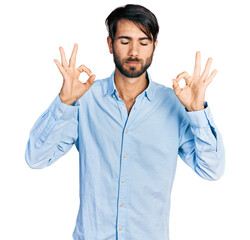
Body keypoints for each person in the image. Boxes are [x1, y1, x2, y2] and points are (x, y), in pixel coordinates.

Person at [25, 4, 225, 240]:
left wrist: (196, 111)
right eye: (124, 41)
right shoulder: (84, 101)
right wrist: (64, 101)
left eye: (143, 42)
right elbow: (36, 158)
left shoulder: (175, 104)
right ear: (110, 44)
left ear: (154, 46)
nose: (134, 51)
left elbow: (212, 170)